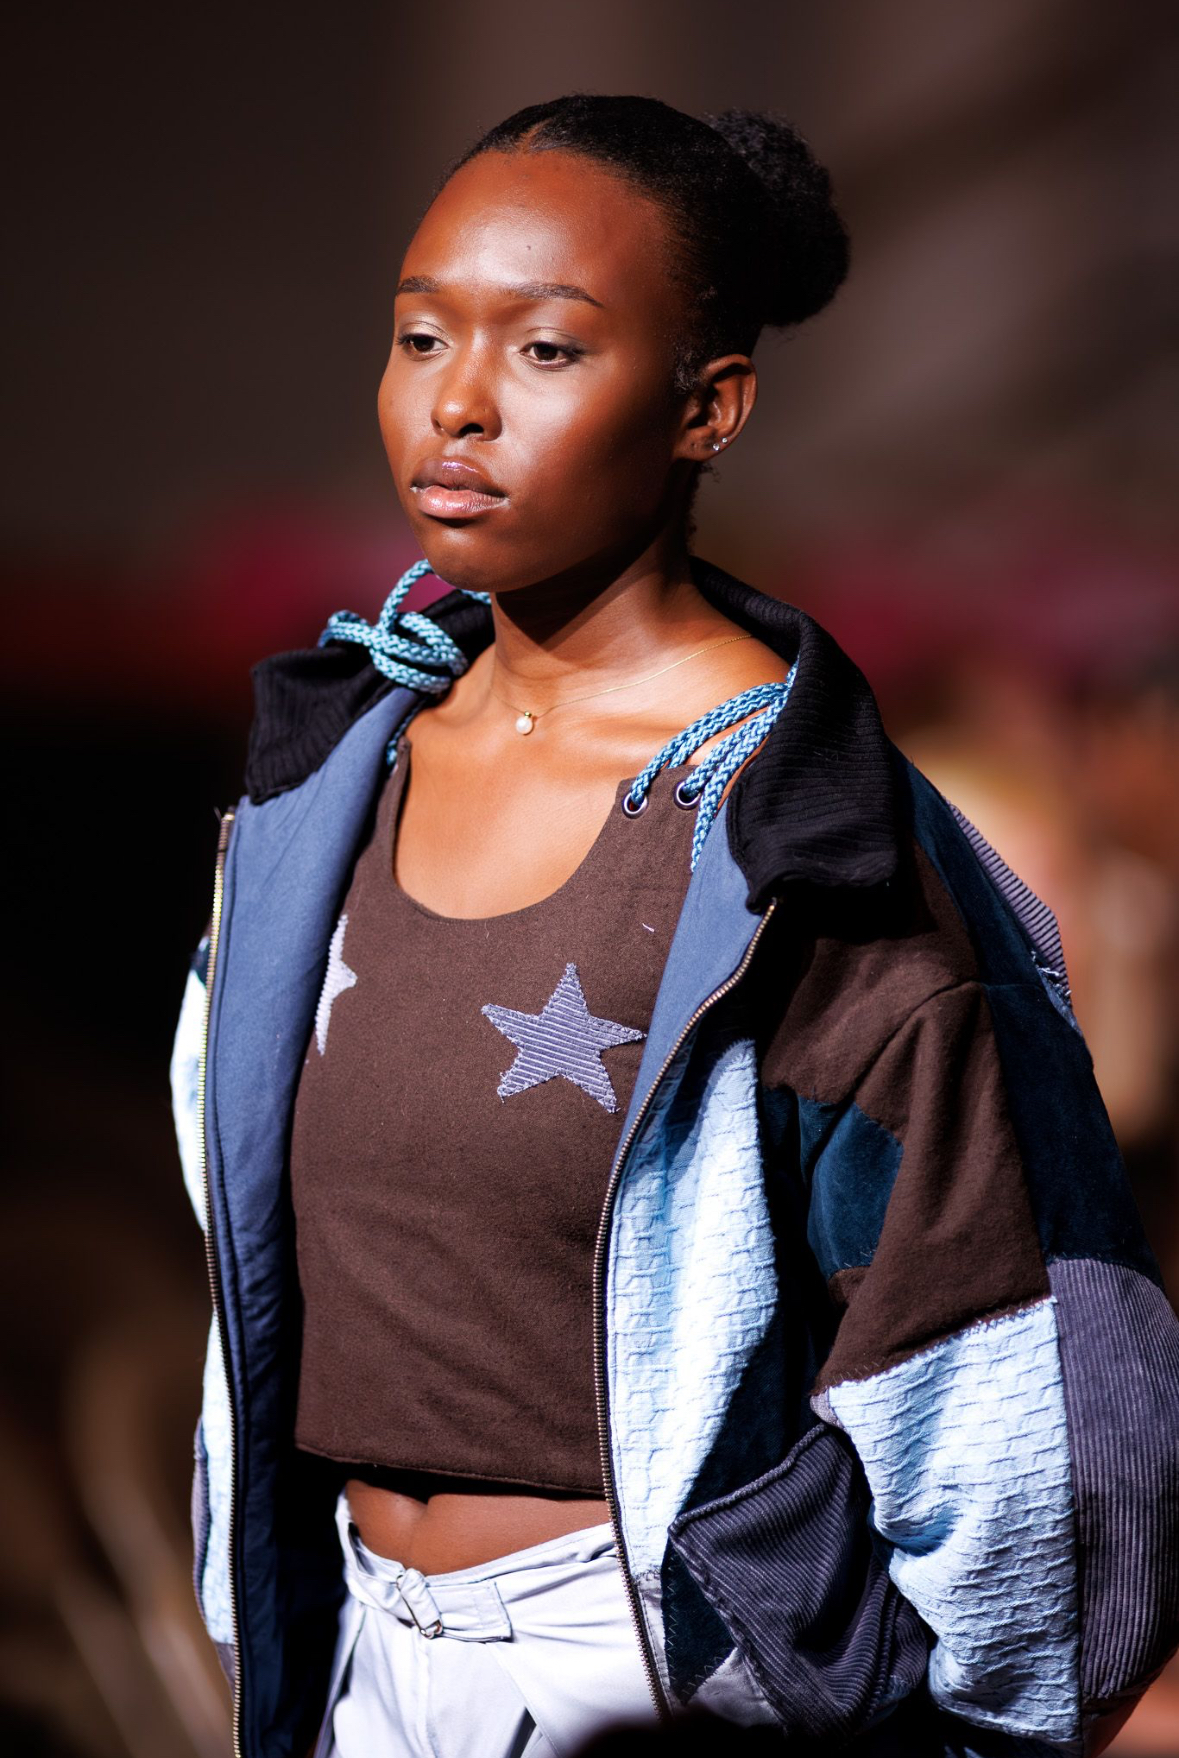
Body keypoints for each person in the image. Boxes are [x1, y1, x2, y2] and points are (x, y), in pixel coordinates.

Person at [171, 94, 1179, 1758]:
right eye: (420, 335)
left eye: (546, 349)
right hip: (352, 1657)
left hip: (664, 1679)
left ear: (709, 406)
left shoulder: (811, 849)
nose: (458, 402)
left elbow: (1003, 1379)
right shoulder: (327, 783)